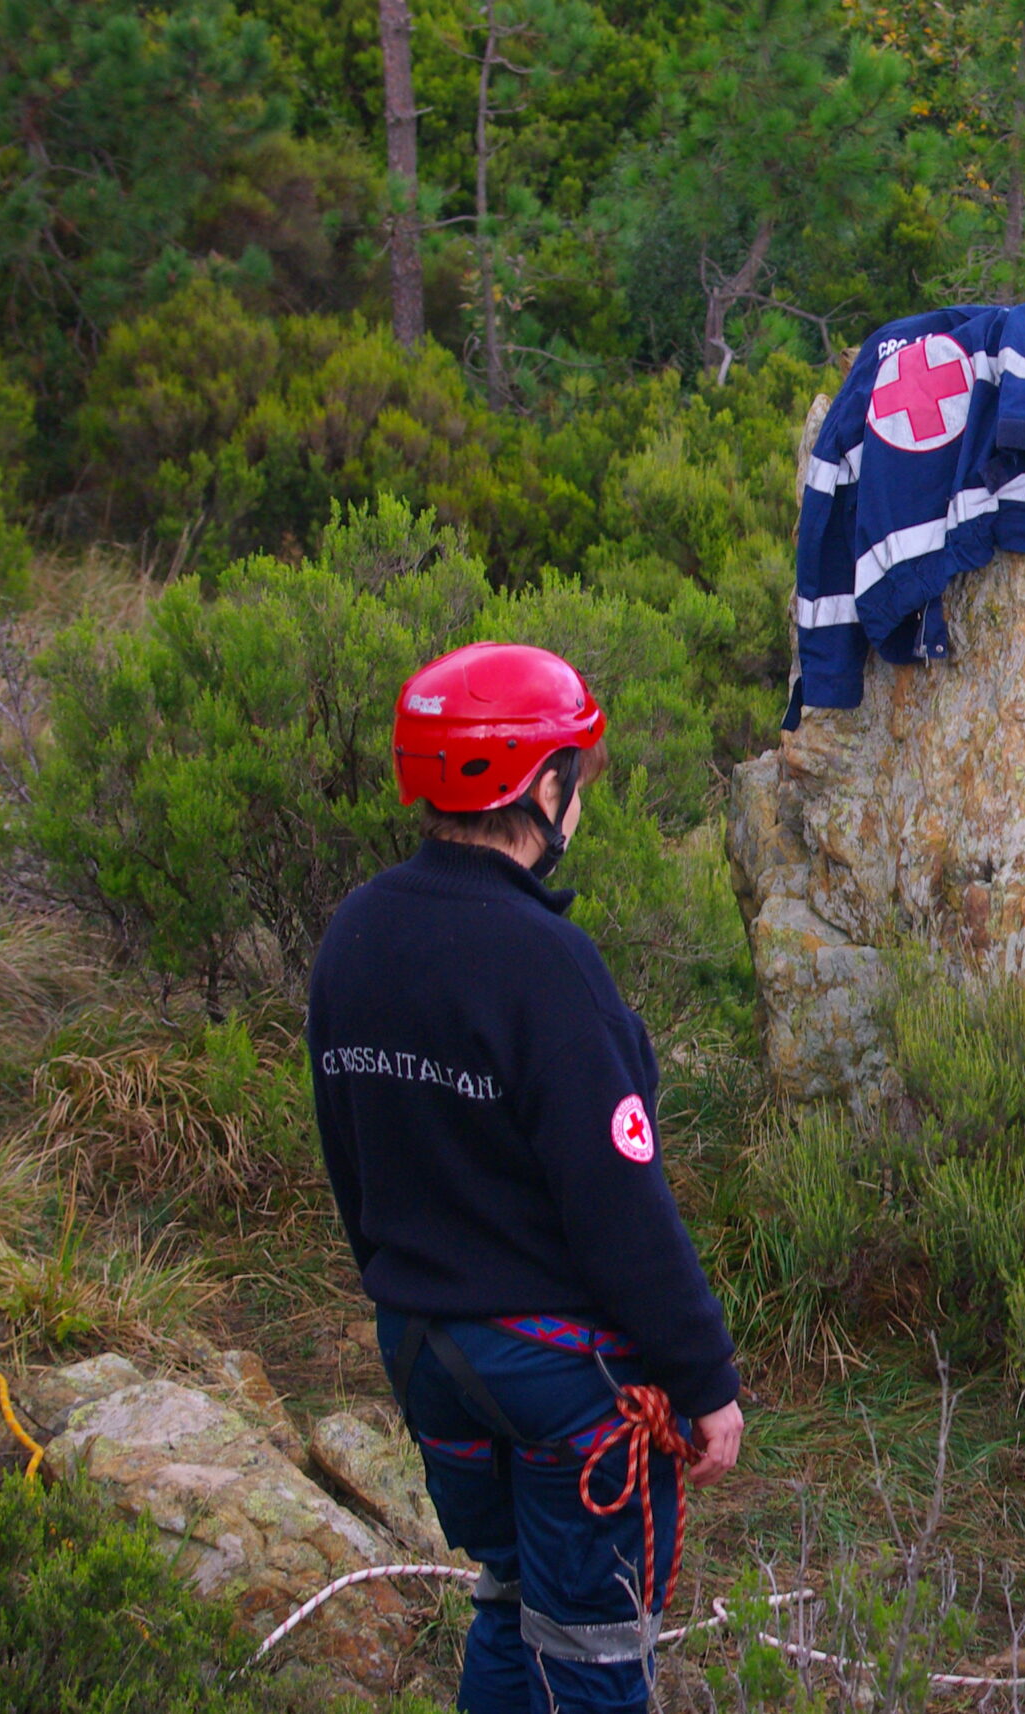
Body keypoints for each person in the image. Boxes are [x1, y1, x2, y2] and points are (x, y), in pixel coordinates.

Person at [309, 642, 745, 1714]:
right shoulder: (546, 964)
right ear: (537, 786)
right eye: (574, 775)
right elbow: (618, 1204)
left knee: (508, 1600)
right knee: (592, 1649)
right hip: (555, 1376)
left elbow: (348, 1158)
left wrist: (407, 1288)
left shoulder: (355, 932)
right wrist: (705, 1380)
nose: (579, 796)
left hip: (422, 1347)